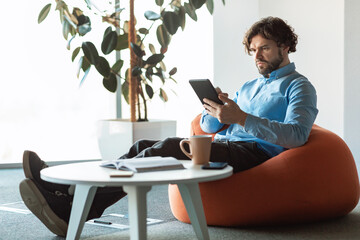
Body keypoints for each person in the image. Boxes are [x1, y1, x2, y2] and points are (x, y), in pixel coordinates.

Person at [19, 16, 318, 237]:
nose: (257, 56)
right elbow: (209, 126)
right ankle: (66, 192)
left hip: (254, 154)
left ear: (285, 46)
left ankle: (74, 205)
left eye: (264, 48)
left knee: (168, 149)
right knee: (144, 146)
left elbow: (297, 136)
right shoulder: (249, 85)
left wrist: (240, 118)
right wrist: (214, 110)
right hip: (227, 144)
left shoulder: (299, 87)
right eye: (252, 50)